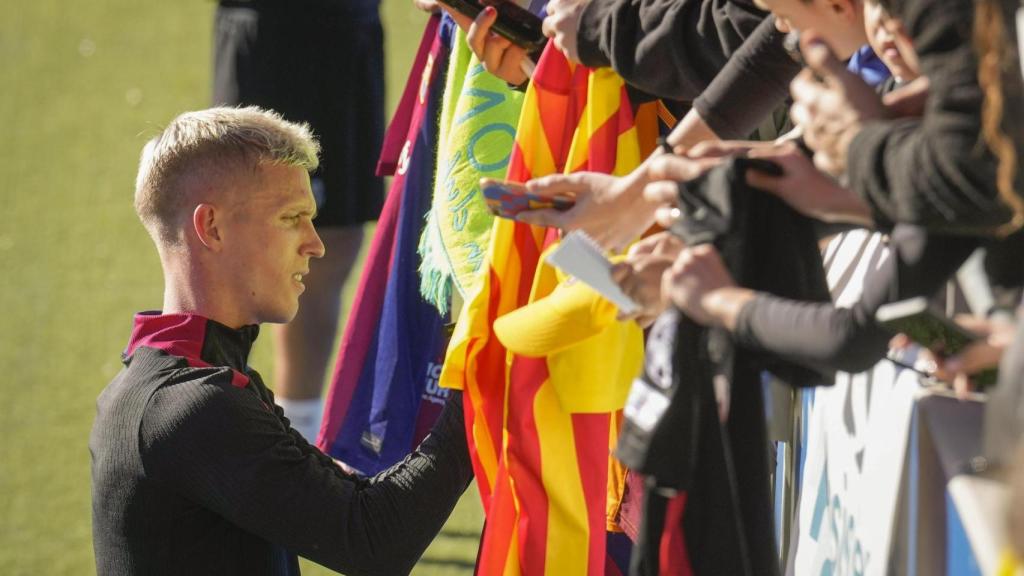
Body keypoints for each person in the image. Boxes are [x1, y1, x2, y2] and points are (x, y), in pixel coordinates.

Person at [90, 107, 472, 576]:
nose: (316, 244)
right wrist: (480, 389)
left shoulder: (163, 386)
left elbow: (358, 509)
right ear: (210, 227)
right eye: (292, 217)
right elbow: (373, 538)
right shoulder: (194, 410)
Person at [212, 0, 386, 440]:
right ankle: (216, 423)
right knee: (259, 236)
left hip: (350, 28)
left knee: (331, 241)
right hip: (282, 31)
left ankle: (297, 436)